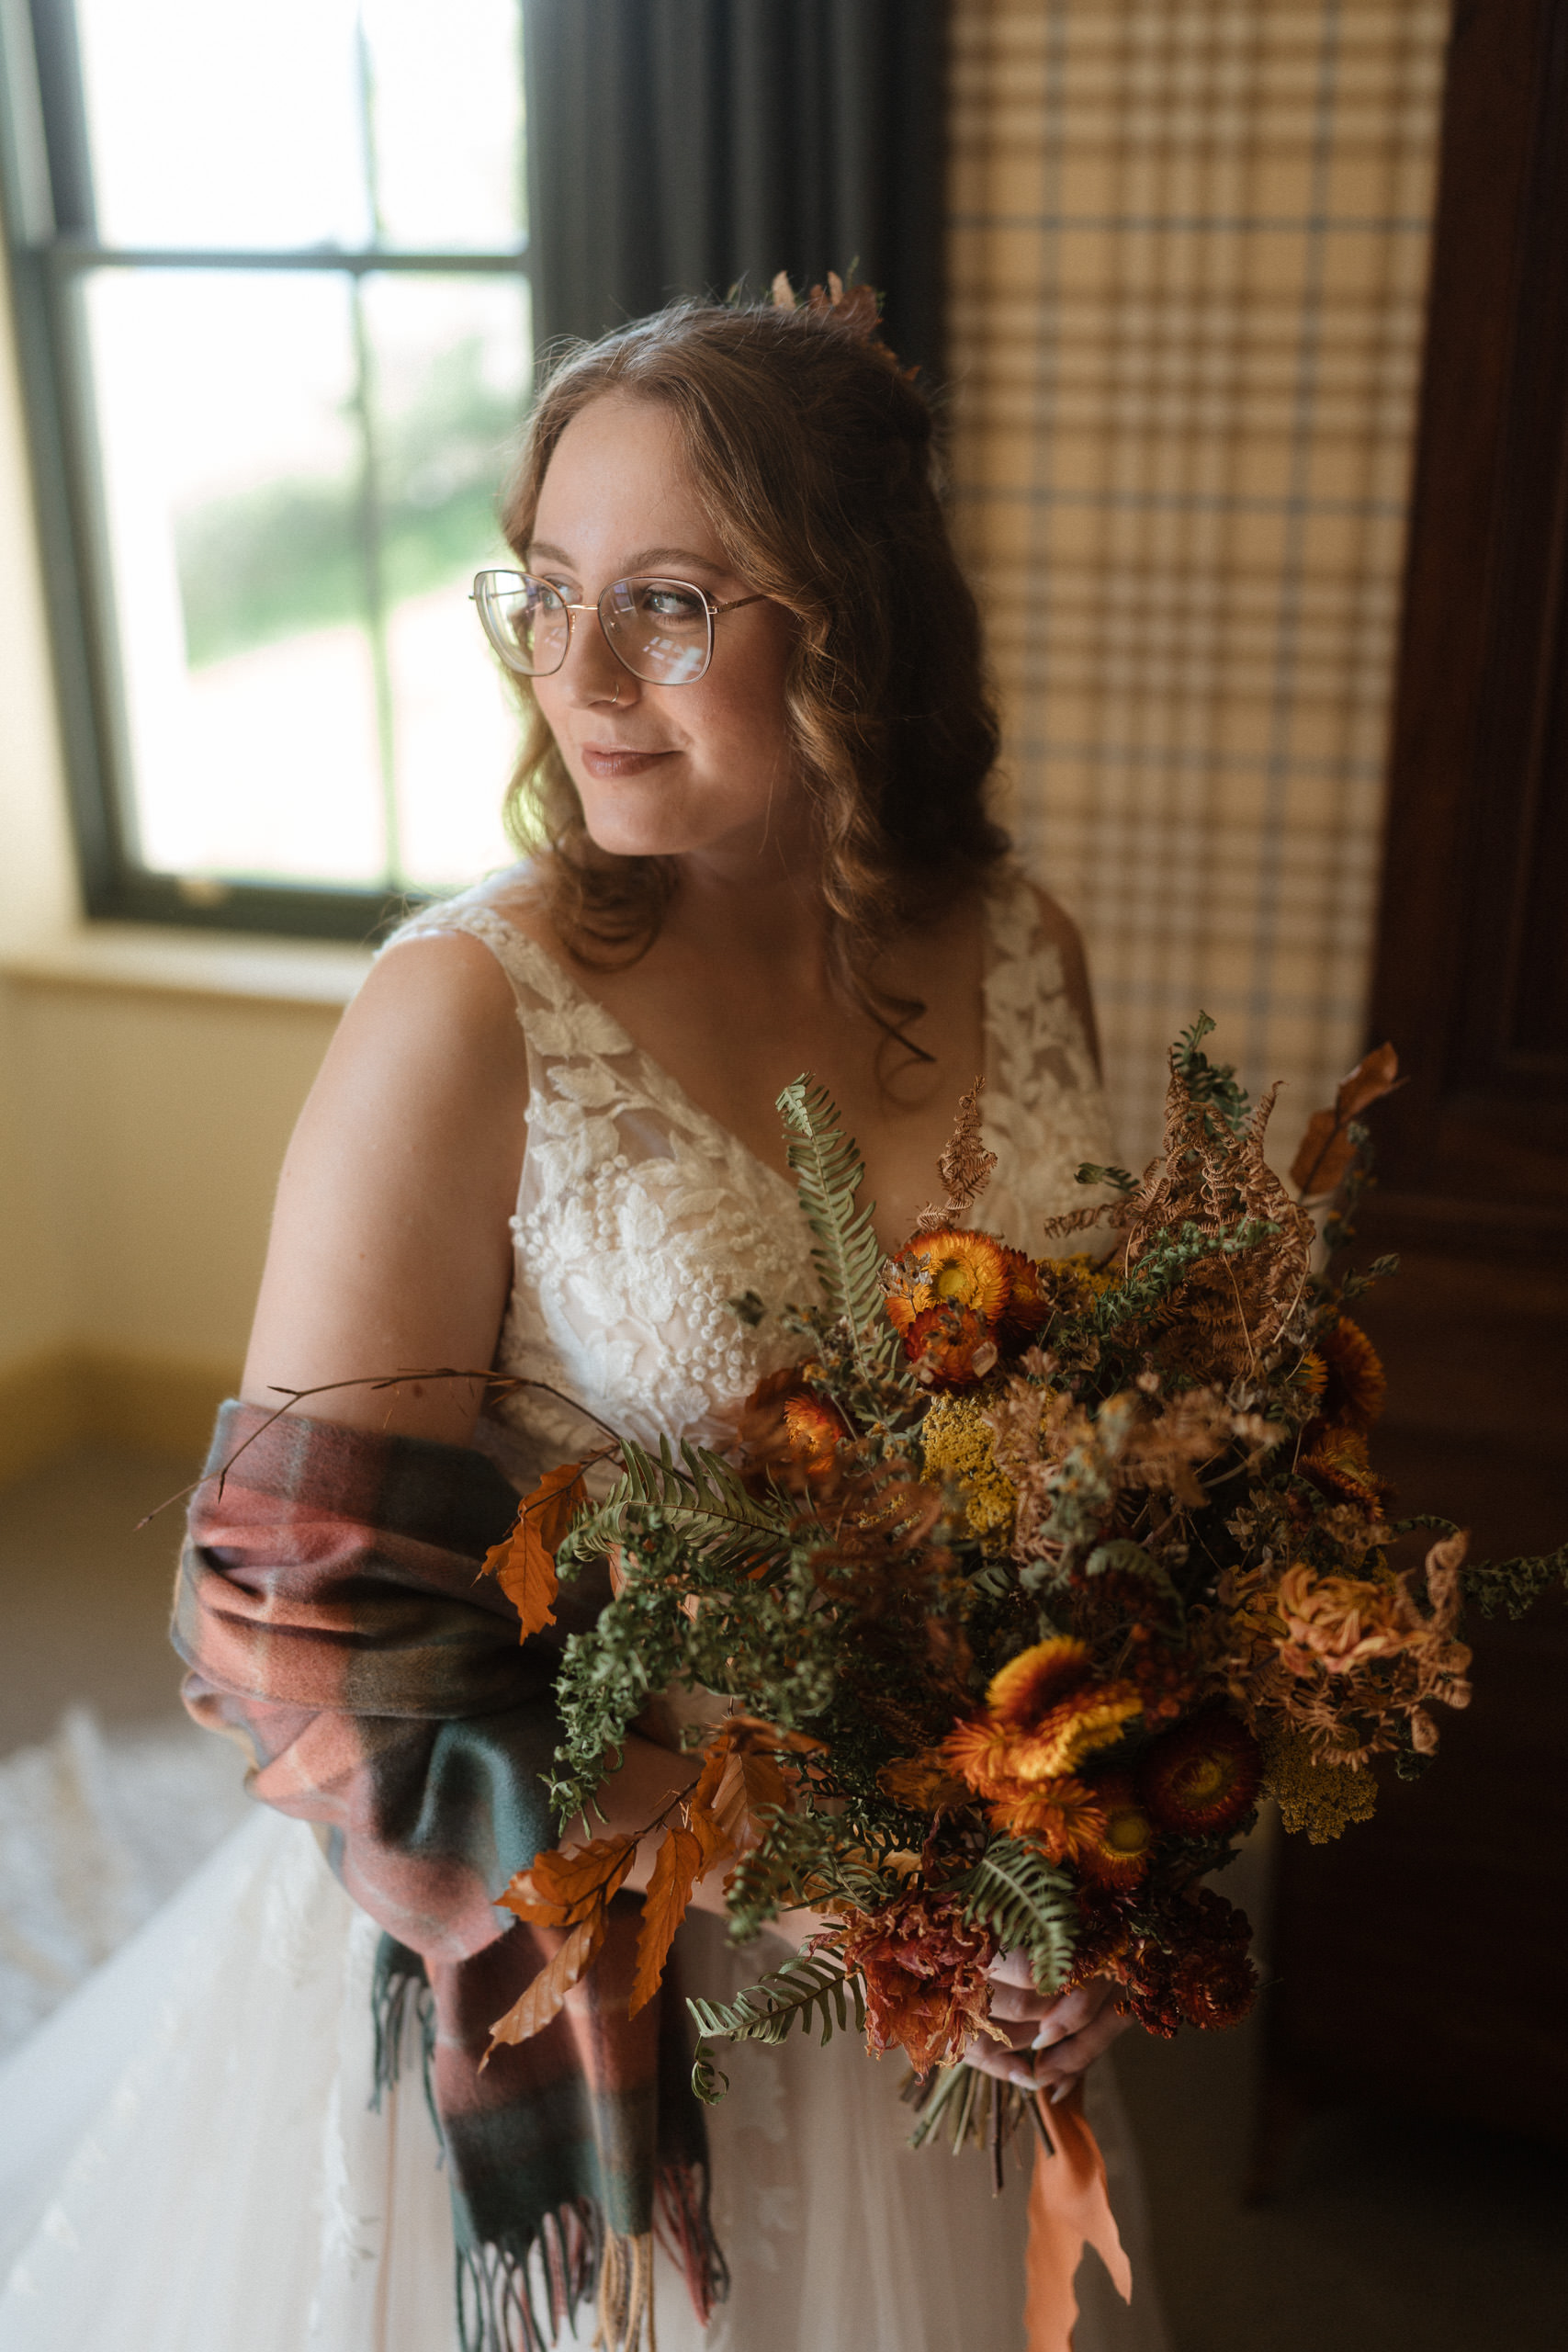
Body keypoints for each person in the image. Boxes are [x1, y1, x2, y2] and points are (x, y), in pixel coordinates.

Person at [0, 289, 1168, 2352]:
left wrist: (1085, 1852)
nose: (579, 676)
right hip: (603, 1947)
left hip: (959, 1941)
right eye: (544, 594)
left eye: (667, 604)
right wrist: (787, 1866)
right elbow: (286, 1631)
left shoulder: (1021, 944)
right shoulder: (462, 1016)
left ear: (854, 621)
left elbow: (1113, 1452)